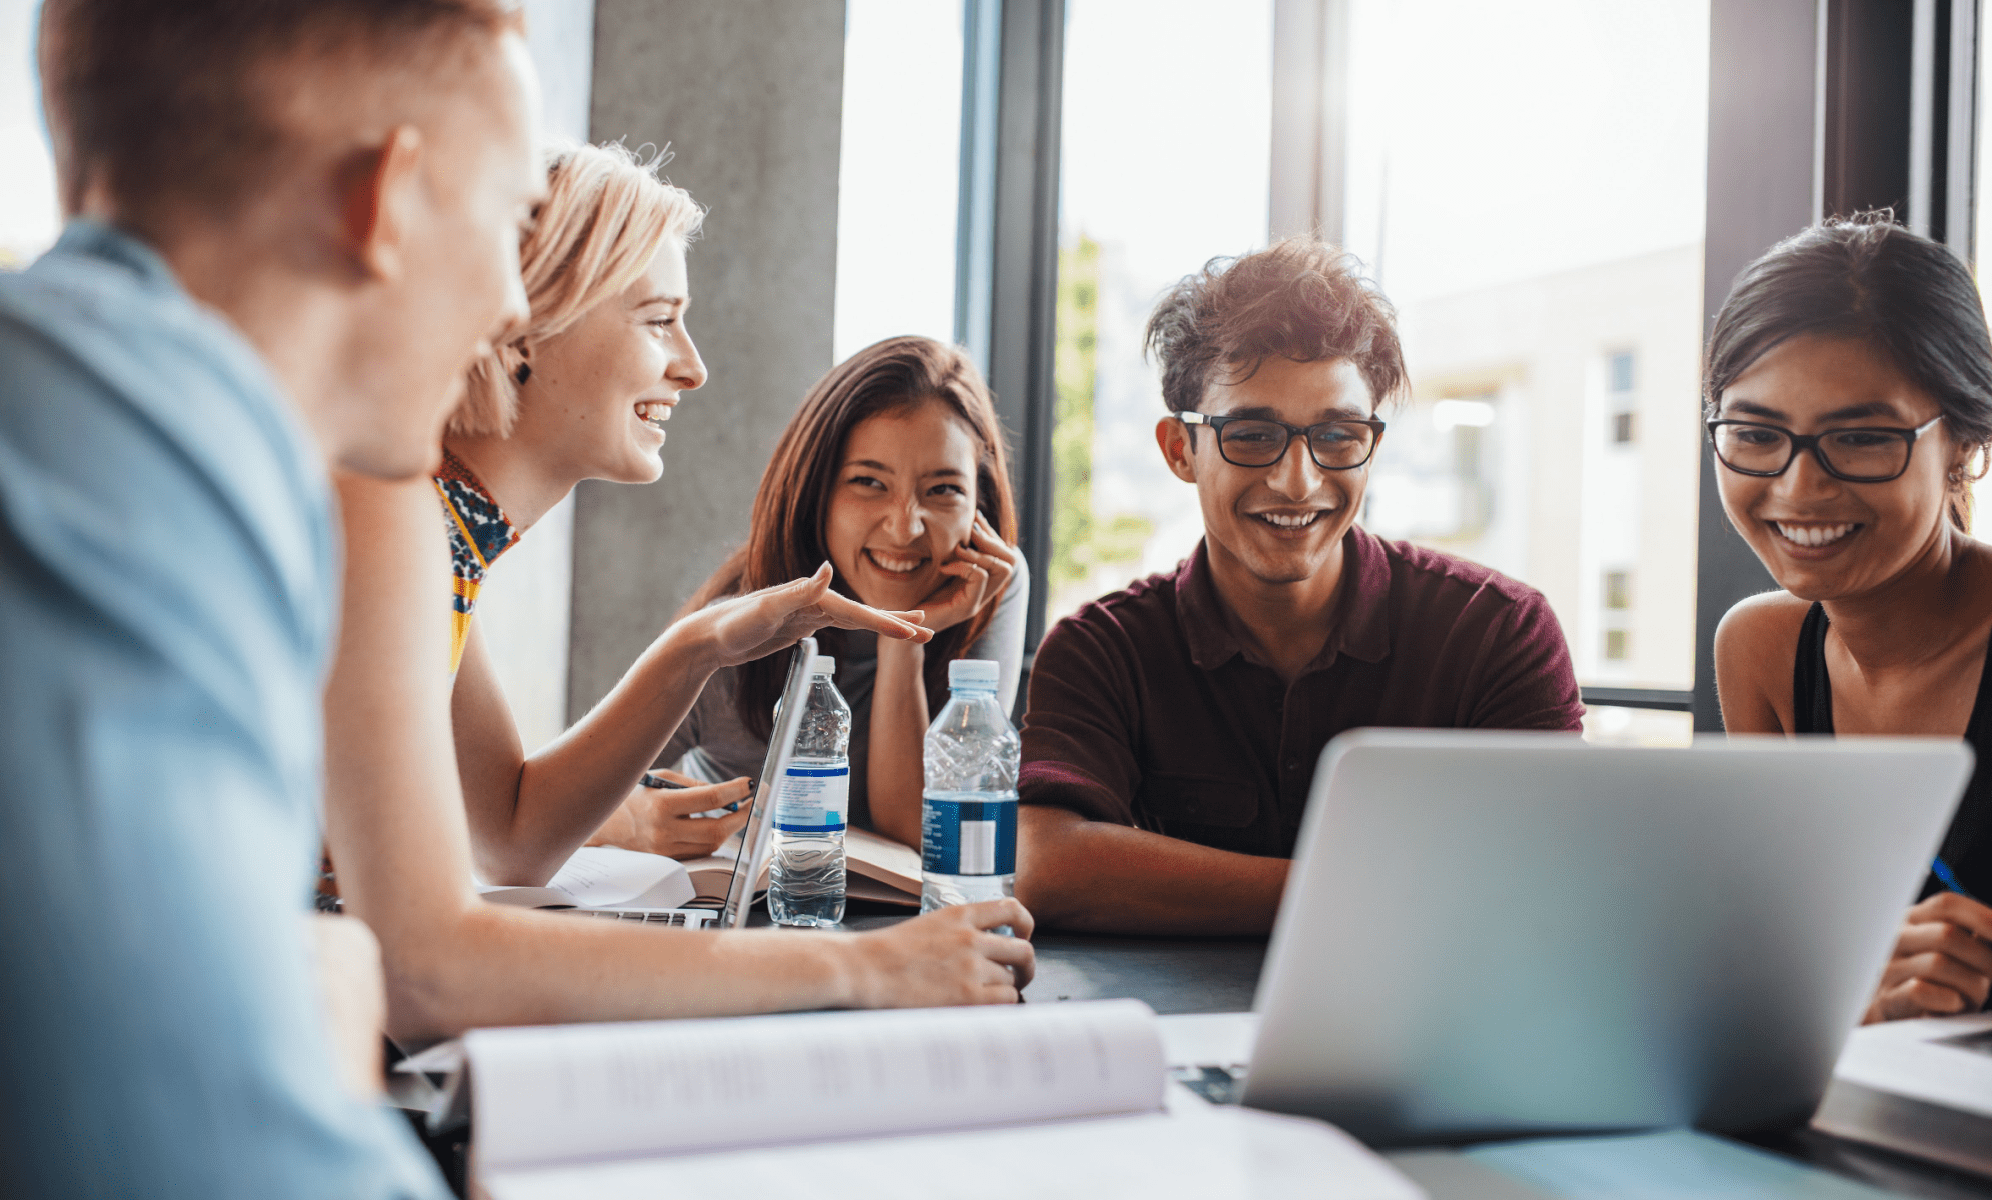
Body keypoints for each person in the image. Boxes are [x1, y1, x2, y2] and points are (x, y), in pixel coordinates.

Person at [2, 1, 546, 1195]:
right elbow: (210, 1160)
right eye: (512, 218)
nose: (515, 300)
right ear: (387, 198)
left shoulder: (110, 409)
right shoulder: (130, 453)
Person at [325, 151, 1035, 1043]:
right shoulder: (386, 523)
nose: (693, 369)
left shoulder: (442, 545)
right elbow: (429, 968)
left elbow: (510, 834)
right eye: (660, 320)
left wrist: (697, 645)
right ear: (520, 325)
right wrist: (864, 965)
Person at [1013, 237, 1585, 937]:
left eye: (1338, 435)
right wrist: (1378, 896)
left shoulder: (1498, 632)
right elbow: (1046, 863)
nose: (1298, 480)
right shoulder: (1103, 650)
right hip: (1175, 1032)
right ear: (1177, 450)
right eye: (1252, 434)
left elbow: (1544, 881)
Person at [1710, 214, 1992, 1022]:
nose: (1800, 489)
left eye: (1864, 438)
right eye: (1756, 434)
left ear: (1967, 444)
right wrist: (1850, 993)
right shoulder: (1760, 648)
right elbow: (1785, 953)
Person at [662, 335, 1027, 850]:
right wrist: (630, 820)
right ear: (817, 493)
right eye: (869, 482)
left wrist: (903, 637)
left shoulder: (991, 582)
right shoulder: (735, 629)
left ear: (979, 505)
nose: (905, 529)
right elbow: (581, 800)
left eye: (943, 490)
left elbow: (922, 829)